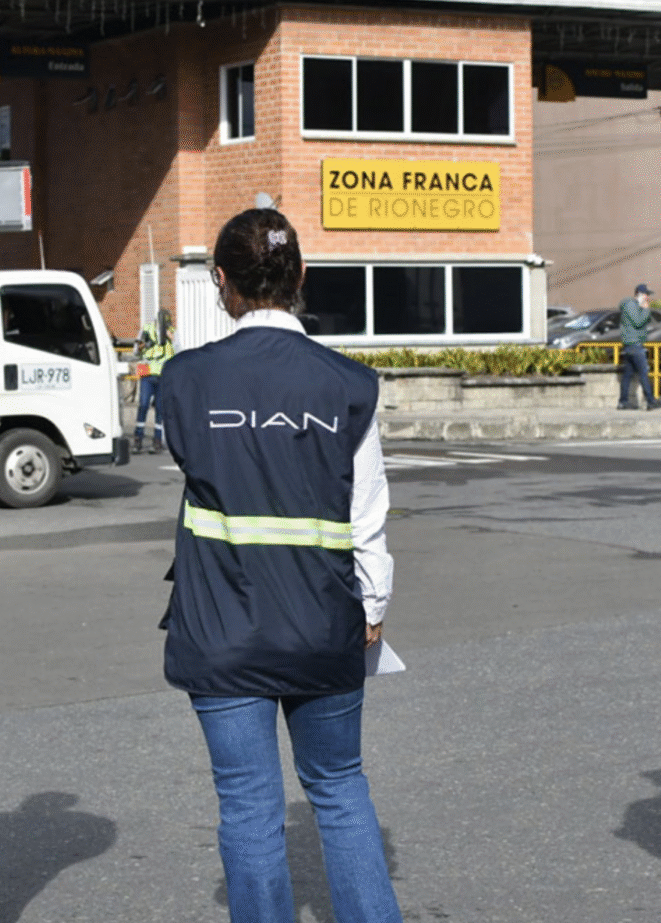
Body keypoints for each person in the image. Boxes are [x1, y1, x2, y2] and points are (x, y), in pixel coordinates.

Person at [159, 208, 402, 923]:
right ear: (300, 276)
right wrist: (374, 608)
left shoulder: (184, 381)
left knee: (248, 805)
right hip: (325, 620)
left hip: (221, 626)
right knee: (339, 785)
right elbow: (369, 511)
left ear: (223, 282)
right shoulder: (347, 383)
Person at [132, 308, 176, 453]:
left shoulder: (172, 332)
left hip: (163, 375)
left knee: (160, 409)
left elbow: (179, 350)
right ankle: (138, 438)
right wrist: (143, 345)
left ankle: (157, 441)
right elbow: (136, 350)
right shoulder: (146, 330)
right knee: (143, 405)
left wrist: (172, 339)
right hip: (147, 374)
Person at [618, 283, 661, 410]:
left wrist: (644, 310)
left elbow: (644, 321)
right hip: (634, 344)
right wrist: (645, 309)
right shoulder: (630, 305)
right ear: (639, 294)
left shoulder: (635, 306)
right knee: (643, 372)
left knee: (628, 374)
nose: (647, 298)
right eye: (646, 295)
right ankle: (650, 401)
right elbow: (638, 322)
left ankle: (623, 402)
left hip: (633, 344)